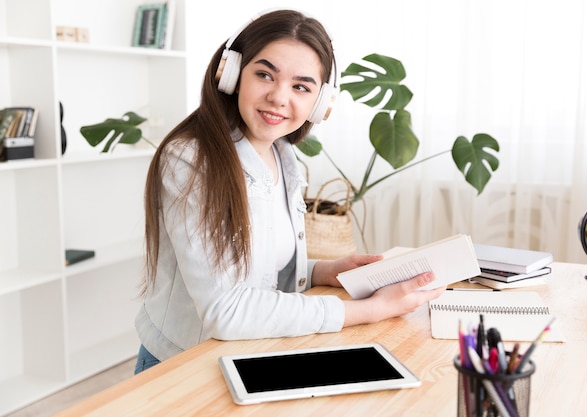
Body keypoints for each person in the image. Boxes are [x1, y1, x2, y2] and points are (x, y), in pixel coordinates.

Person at [134, 9, 445, 374]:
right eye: (265, 75)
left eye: (301, 86)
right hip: (183, 367)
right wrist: (367, 310)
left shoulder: (282, 155)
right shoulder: (191, 161)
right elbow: (225, 310)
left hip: (251, 354)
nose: (280, 97)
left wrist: (318, 271)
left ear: (320, 102)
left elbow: (256, 269)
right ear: (231, 74)